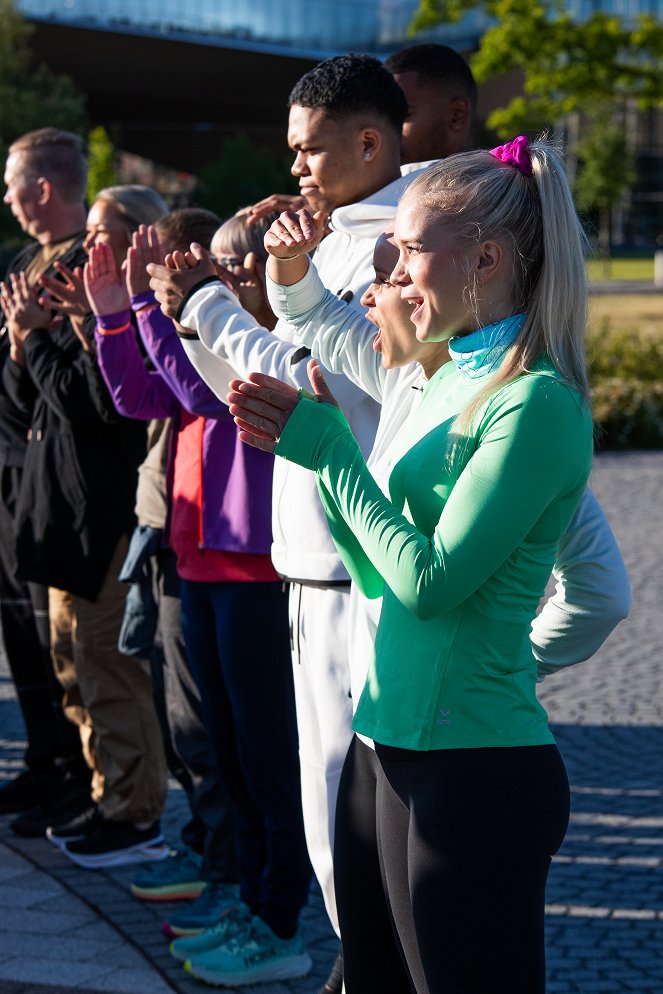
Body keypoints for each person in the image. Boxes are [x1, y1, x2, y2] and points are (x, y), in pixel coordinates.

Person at [227, 137, 604, 993]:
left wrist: (328, 452)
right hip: (384, 740)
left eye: (407, 247)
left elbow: (431, 583)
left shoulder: (536, 403)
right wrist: (312, 448)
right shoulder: (436, 373)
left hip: (474, 766)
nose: (389, 264)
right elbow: (374, 574)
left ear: (484, 259)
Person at [148, 53, 413, 994]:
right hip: (307, 556)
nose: (293, 167)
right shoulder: (340, 233)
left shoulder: (397, 239)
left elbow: (324, 386)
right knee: (319, 811)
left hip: (355, 564)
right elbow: (262, 407)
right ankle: (352, 959)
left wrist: (216, 308)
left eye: (309, 148)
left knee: (355, 818)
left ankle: (363, 963)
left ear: (372, 141)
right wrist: (196, 326)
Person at [85, 216, 312, 985]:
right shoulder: (209, 334)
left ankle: (280, 914)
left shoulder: (265, 346)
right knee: (229, 749)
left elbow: (200, 393)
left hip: (253, 569)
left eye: (221, 267)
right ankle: (248, 897)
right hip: (201, 560)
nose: (206, 278)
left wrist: (157, 312)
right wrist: (117, 313)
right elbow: (141, 393)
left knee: (266, 756)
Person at [0, 184, 170, 868]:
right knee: (74, 671)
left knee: (111, 672)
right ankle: (105, 795)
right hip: (64, 519)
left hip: (108, 523)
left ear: (140, 243)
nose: (89, 250)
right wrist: (25, 340)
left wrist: (49, 338)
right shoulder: (85, 317)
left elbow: (91, 402)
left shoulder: (133, 320)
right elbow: (24, 406)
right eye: (91, 235)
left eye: (106, 237)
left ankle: (136, 815)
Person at [0, 128, 89, 835]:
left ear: (43, 189)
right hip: (11, 464)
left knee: (51, 628)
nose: (6, 196)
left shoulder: (84, 264)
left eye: (12, 183)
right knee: (20, 631)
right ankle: (42, 760)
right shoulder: (30, 259)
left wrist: (26, 337)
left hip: (45, 471)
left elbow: (67, 385)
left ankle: (73, 774)